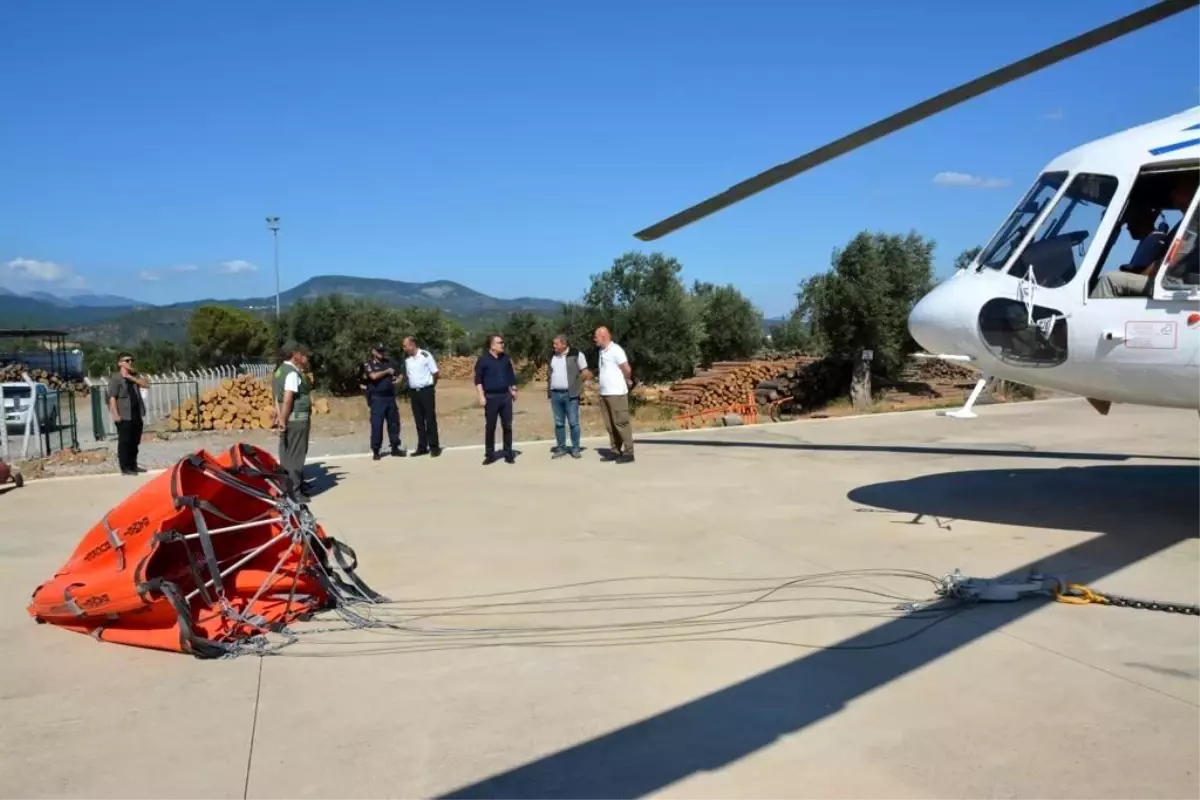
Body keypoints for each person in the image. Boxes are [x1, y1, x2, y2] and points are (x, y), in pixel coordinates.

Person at [274, 343, 313, 502]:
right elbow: (288, 398)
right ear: (295, 355)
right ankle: (294, 493)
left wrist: (280, 416)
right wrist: (283, 418)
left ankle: (286, 489)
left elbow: (277, 397)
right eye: (303, 354)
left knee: (287, 455)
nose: (306, 357)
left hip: (288, 418)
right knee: (296, 456)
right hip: (296, 420)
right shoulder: (291, 373)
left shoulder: (280, 371)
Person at [473, 333, 517, 465]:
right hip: (491, 397)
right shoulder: (483, 360)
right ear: (492, 346)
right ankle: (490, 454)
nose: (503, 345)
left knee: (507, 426)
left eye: (503, 343)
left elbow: (511, 376)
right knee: (490, 426)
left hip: (505, 396)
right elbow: (478, 380)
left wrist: (514, 390)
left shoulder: (505, 359)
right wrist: (481, 396)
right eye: (500, 343)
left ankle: (508, 453)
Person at [593, 326, 634, 463]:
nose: (594, 339)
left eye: (596, 337)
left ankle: (629, 453)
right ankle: (615, 451)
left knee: (621, 423)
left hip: (616, 393)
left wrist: (626, 380)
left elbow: (627, 369)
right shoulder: (602, 351)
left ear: (603, 336)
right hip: (605, 393)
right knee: (610, 425)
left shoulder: (616, 350)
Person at [107, 353, 149, 476]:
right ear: (120, 363)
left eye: (131, 360)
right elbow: (112, 398)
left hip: (136, 413)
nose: (130, 363)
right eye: (127, 360)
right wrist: (115, 414)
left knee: (135, 441)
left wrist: (132, 378)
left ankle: (133, 465)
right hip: (124, 414)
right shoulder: (116, 378)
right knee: (125, 441)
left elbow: (146, 384)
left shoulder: (134, 376)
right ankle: (125, 468)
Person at [363, 343, 406, 461]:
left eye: (383, 351)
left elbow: (401, 372)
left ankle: (395, 447)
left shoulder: (389, 362)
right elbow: (373, 376)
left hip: (390, 397)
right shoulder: (369, 364)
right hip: (377, 398)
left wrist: (399, 379)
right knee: (377, 424)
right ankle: (376, 450)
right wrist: (387, 372)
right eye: (379, 351)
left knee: (394, 423)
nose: (382, 353)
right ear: (373, 352)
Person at [547, 333, 586, 459]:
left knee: (573, 423)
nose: (554, 346)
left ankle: (575, 448)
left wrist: (578, 386)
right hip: (555, 394)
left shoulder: (576, 354)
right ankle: (561, 448)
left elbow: (585, 372)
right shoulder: (552, 355)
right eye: (553, 344)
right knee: (559, 423)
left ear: (564, 344)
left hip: (571, 394)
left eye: (556, 344)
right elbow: (550, 372)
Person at [402, 336, 441, 457]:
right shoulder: (407, 359)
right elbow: (409, 375)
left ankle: (434, 447)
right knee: (418, 420)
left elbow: (435, 373)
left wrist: (431, 386)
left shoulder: (425, 355)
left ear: (412, 344)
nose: (404, 349)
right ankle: (422, 446)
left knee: (430, 419)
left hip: (426, 391)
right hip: (414, 392)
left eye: (405, 346)